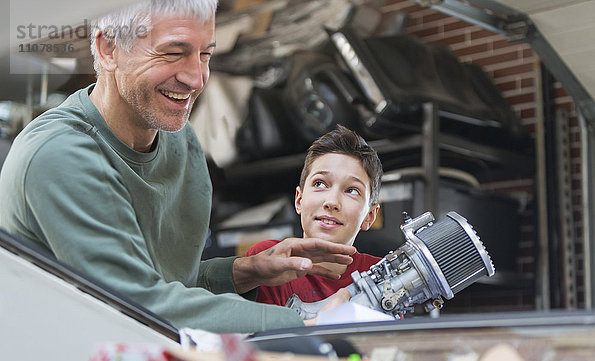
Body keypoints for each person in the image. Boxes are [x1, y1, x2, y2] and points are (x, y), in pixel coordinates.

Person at [0, 0, 356, 333]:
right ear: (109, 49)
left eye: (205, 54)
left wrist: (245, 271)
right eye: (173, 53)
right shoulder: (61, 155)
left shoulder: (180, 140)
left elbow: (168, 285)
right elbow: (136, 304)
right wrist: (302, 322)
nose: (197, 78)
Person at [246, 125, 383, 309]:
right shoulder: (268, 259)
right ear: (299, 200)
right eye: (320, 183)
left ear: (370, 215)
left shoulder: (382, 275)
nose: (332, 202)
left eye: (351, 190)